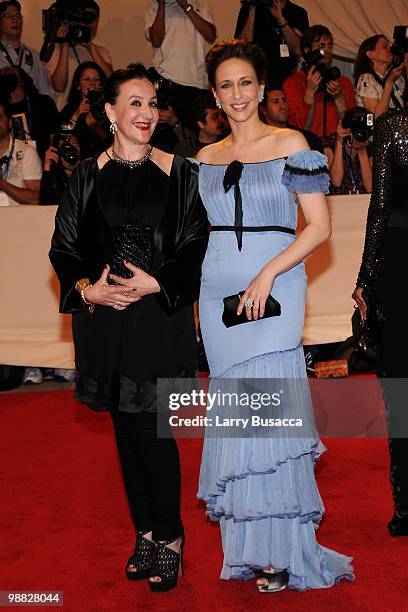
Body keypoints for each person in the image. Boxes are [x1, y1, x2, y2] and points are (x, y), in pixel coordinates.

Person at [196, 39, 354, 592]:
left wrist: (267, 272)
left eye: (245, 83)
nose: (236, 94)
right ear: (214, 94)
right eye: (225, 85)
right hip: (218, 293)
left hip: (277, 286)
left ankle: (281, 548)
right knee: (241, 420)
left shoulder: (295, 145)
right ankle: (252, 548)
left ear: (262, 88)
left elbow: (319, 226)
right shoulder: (205, 158)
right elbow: (193, 236)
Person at [49, 64, 208, 592]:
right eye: (133, 103)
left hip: (158, 318)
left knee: (152, 431)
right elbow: (64, 248)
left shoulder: (181, 171)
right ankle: (145, 531)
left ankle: (170, 537)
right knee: (123, 427)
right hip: (104, 320)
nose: (146, 113)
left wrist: (156, 283)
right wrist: (86, 290)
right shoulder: (87, 176)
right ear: (111, 112)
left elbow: (192, 247)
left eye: (152, 103)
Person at [352, 107, 408, 537]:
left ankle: (406, 505)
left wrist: (365, 279)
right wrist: (366, 278)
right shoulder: (393, 124)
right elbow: (380, 206)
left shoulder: (395, 125)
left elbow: (382, 207)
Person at [144, 0, 216, 122]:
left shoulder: (201, 3)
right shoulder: (154, 5)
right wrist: (162, 4)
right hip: (166, 78)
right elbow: (156, 40)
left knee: (195, 132)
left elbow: (210, 35)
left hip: (196, 81)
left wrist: (185, 6)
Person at [283, 25, 356, 138]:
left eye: (329, 45)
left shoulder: (343, 82)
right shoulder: (293, 83)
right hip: (309, 148)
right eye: (321, 46)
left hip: (338, 148)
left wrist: (339, 99)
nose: (327, 50)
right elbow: (296, 127)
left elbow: (352, 128)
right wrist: (309, 93)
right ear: (307, 50)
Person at [48, 0, 113, 109]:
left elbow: (111, 81)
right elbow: (59, 86)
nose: (89, 24)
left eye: (93, 19)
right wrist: (65, 44)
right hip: (66, 113)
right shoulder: (58, 49)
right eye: (85, 19)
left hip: (95, 115)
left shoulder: (102, 51)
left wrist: (90, 47)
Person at [235, 0, 309, 84]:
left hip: (288, 75)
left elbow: (298, 49)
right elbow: (241, 45)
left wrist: (281, 20)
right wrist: (252, 11)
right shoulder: (250, 8)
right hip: (258, 74)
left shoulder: (299, 13)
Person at [0, 64, 59, 160]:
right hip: (10, 166)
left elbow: (55, 136)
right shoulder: (1, 111)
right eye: (3, 72)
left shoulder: (43, 102)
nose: (7, 71)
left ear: (23, 80)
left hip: (43, 162)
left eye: (11, 70)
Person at [0, 0, 52, 97]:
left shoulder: (34, 56)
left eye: (17, 16)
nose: (14, 20)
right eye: (8, 16)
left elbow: (45, 92)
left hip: (31, 110)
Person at [59, 61, 110, 159]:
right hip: (78, 162)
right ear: (78, 85)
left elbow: (110, 141)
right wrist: (76, 115)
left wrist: (95, 126)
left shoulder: (107, 109)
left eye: (96, 79)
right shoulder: (69, 109)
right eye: (87, 79)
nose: (92, 83)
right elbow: (61, 138)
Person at [0, 100, 42, 206]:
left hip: (19, 220)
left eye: (0, 117)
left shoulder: (27, 153)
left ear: (9, 123)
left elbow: (35, 199)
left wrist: (2, 183)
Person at [259, 83, 323, 152]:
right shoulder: (259, 142)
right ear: (263, 110)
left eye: (284, 101)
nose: (283, 107)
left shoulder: (308, 139)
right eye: (275, 102)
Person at [355, 35, 405, 119]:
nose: (390, 49)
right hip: (377, 131)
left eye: (389, 46)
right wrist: (389, 82)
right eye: (385, 47)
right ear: (370, 54)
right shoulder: (366, 79)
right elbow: (377, 116)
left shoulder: (396, 76)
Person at [326, 116, 372, 195]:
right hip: (338, 203)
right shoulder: (330, 144)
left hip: (362, 203)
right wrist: (339, 141)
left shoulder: (371, 147)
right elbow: (336, 181)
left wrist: (362, 150)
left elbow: (370, 187)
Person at [174, 91, 229, 157]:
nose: (222, 120)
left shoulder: (230, 141)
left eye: (222, 115)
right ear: (201, 124)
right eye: (215, 117)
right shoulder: (185, 150)